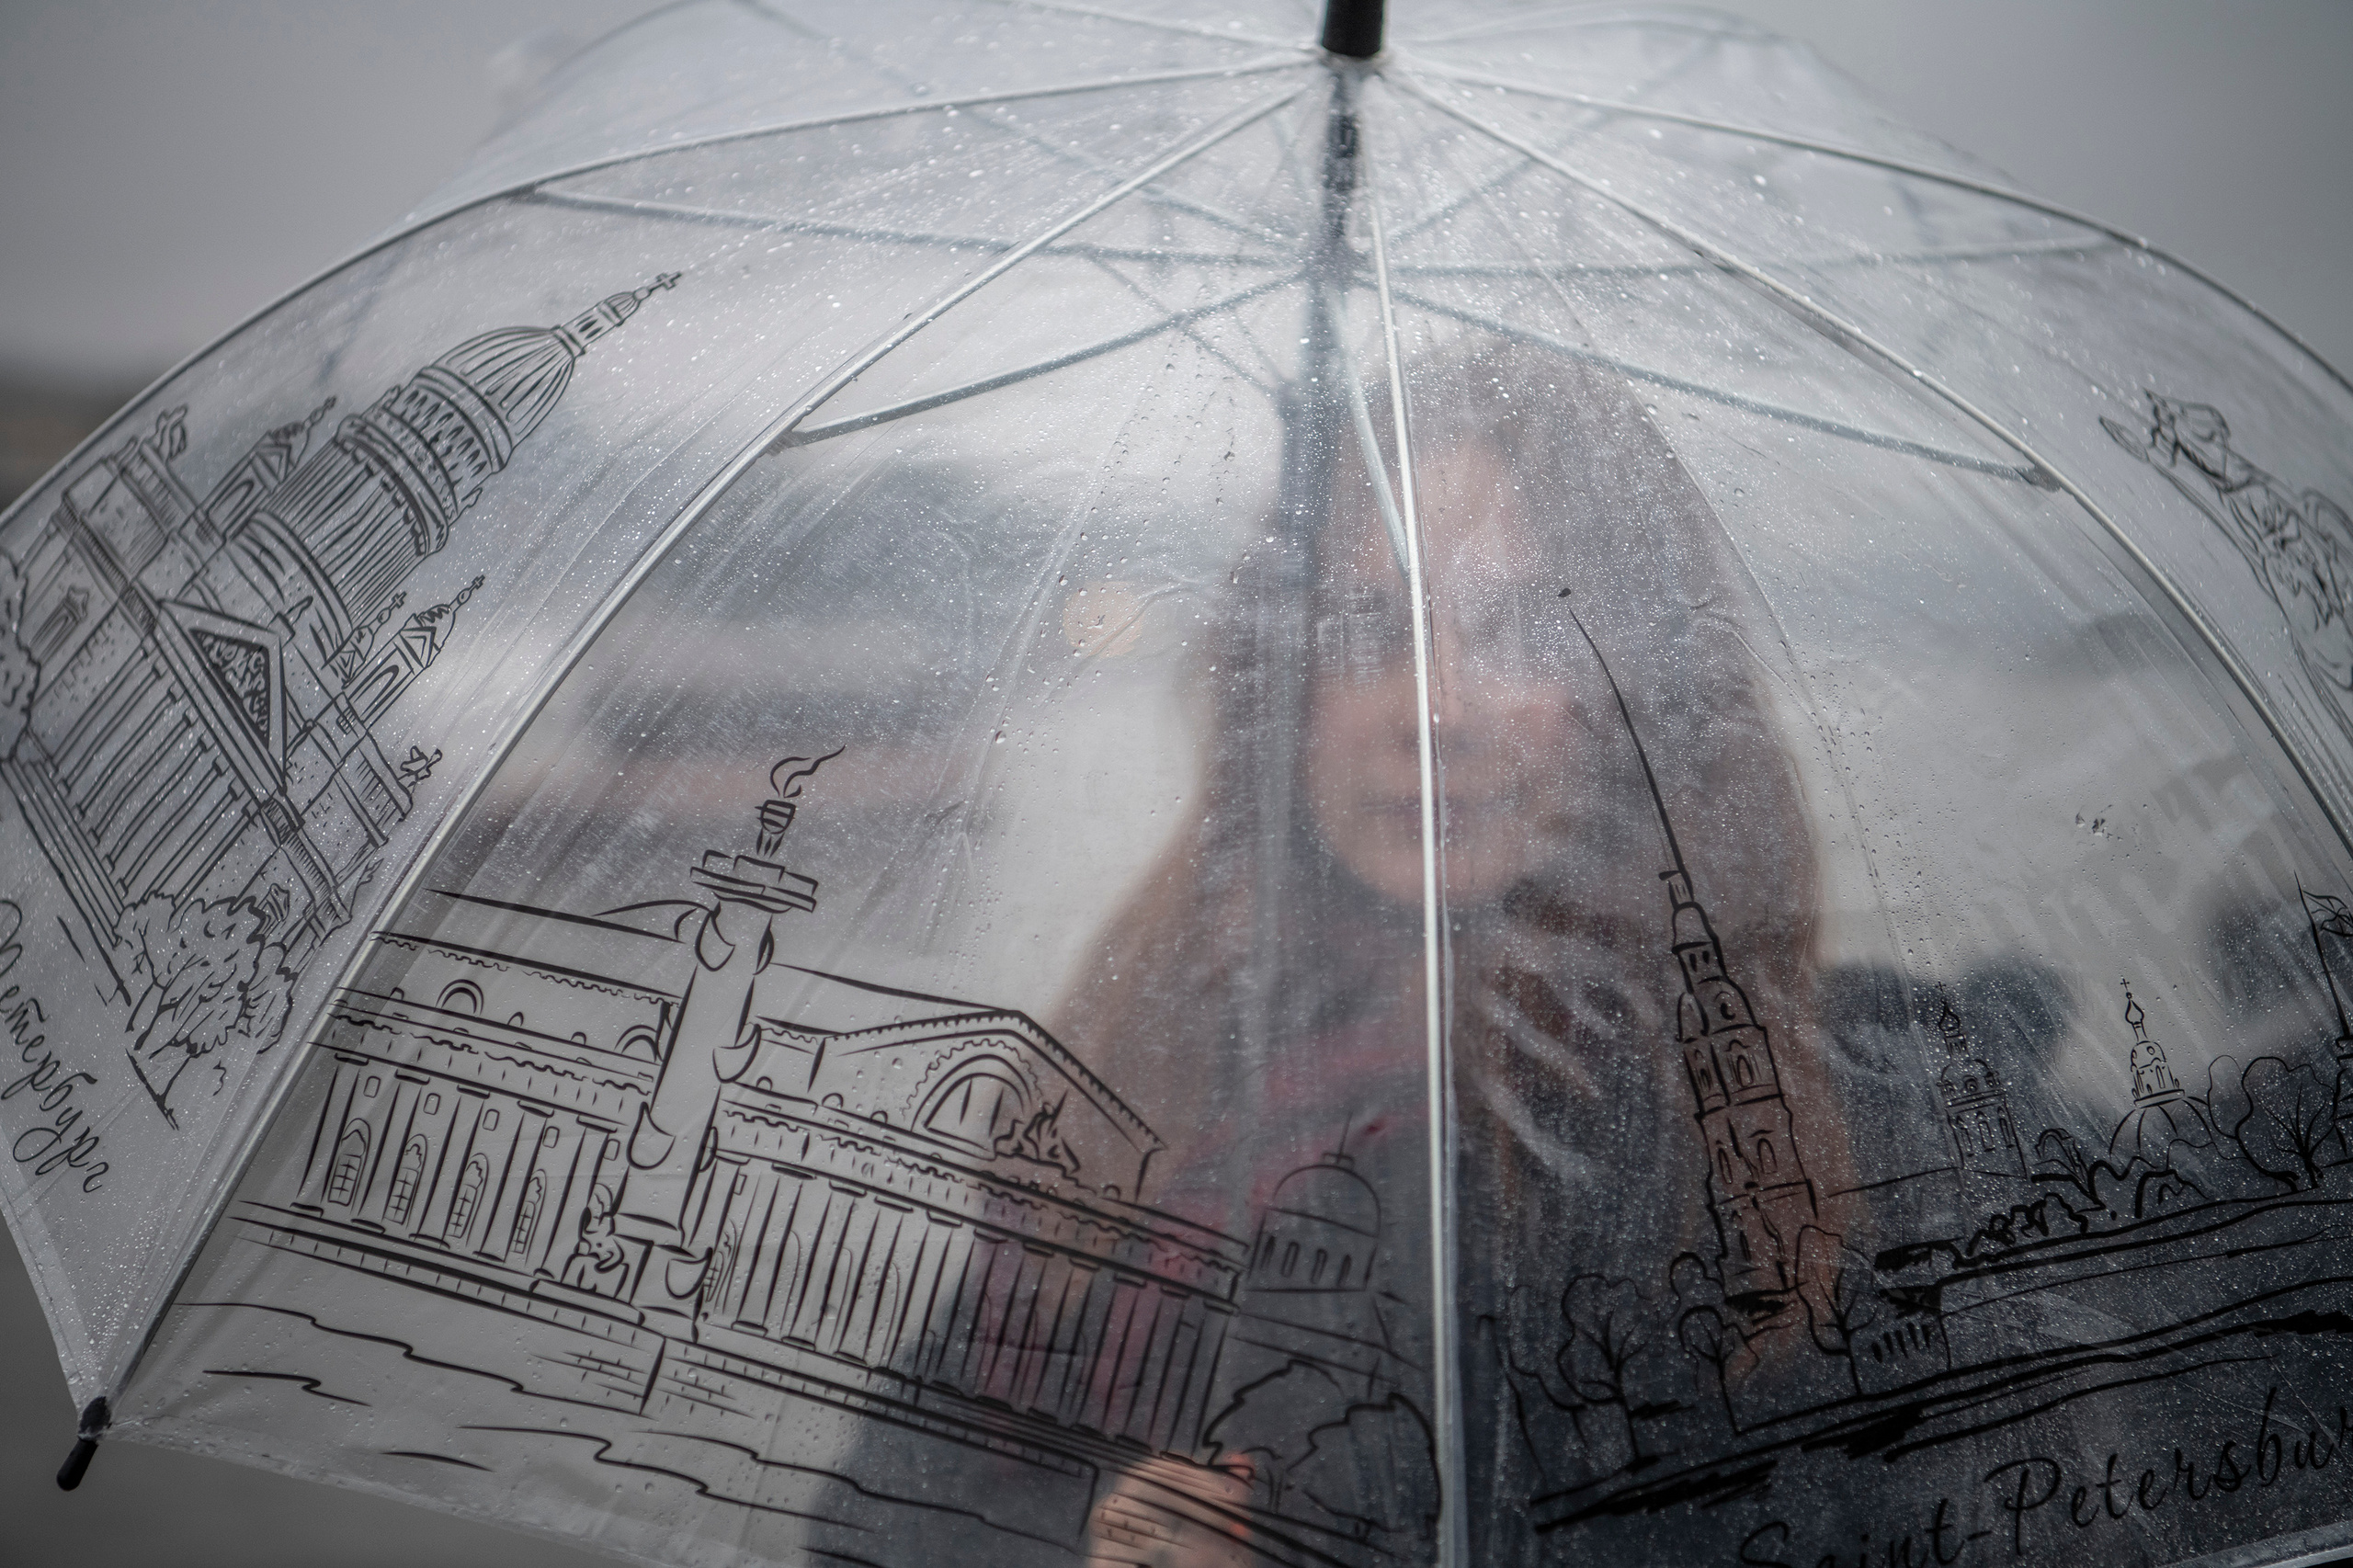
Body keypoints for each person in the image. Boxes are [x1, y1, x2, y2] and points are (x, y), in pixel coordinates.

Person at [1060, 333, 1844, 1563]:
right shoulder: (1161, 1053)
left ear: (1646, 692)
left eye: (1524, 628)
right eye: (1369, 629)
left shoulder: (1745, 1152)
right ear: (1282, 682)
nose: (1435, 708)